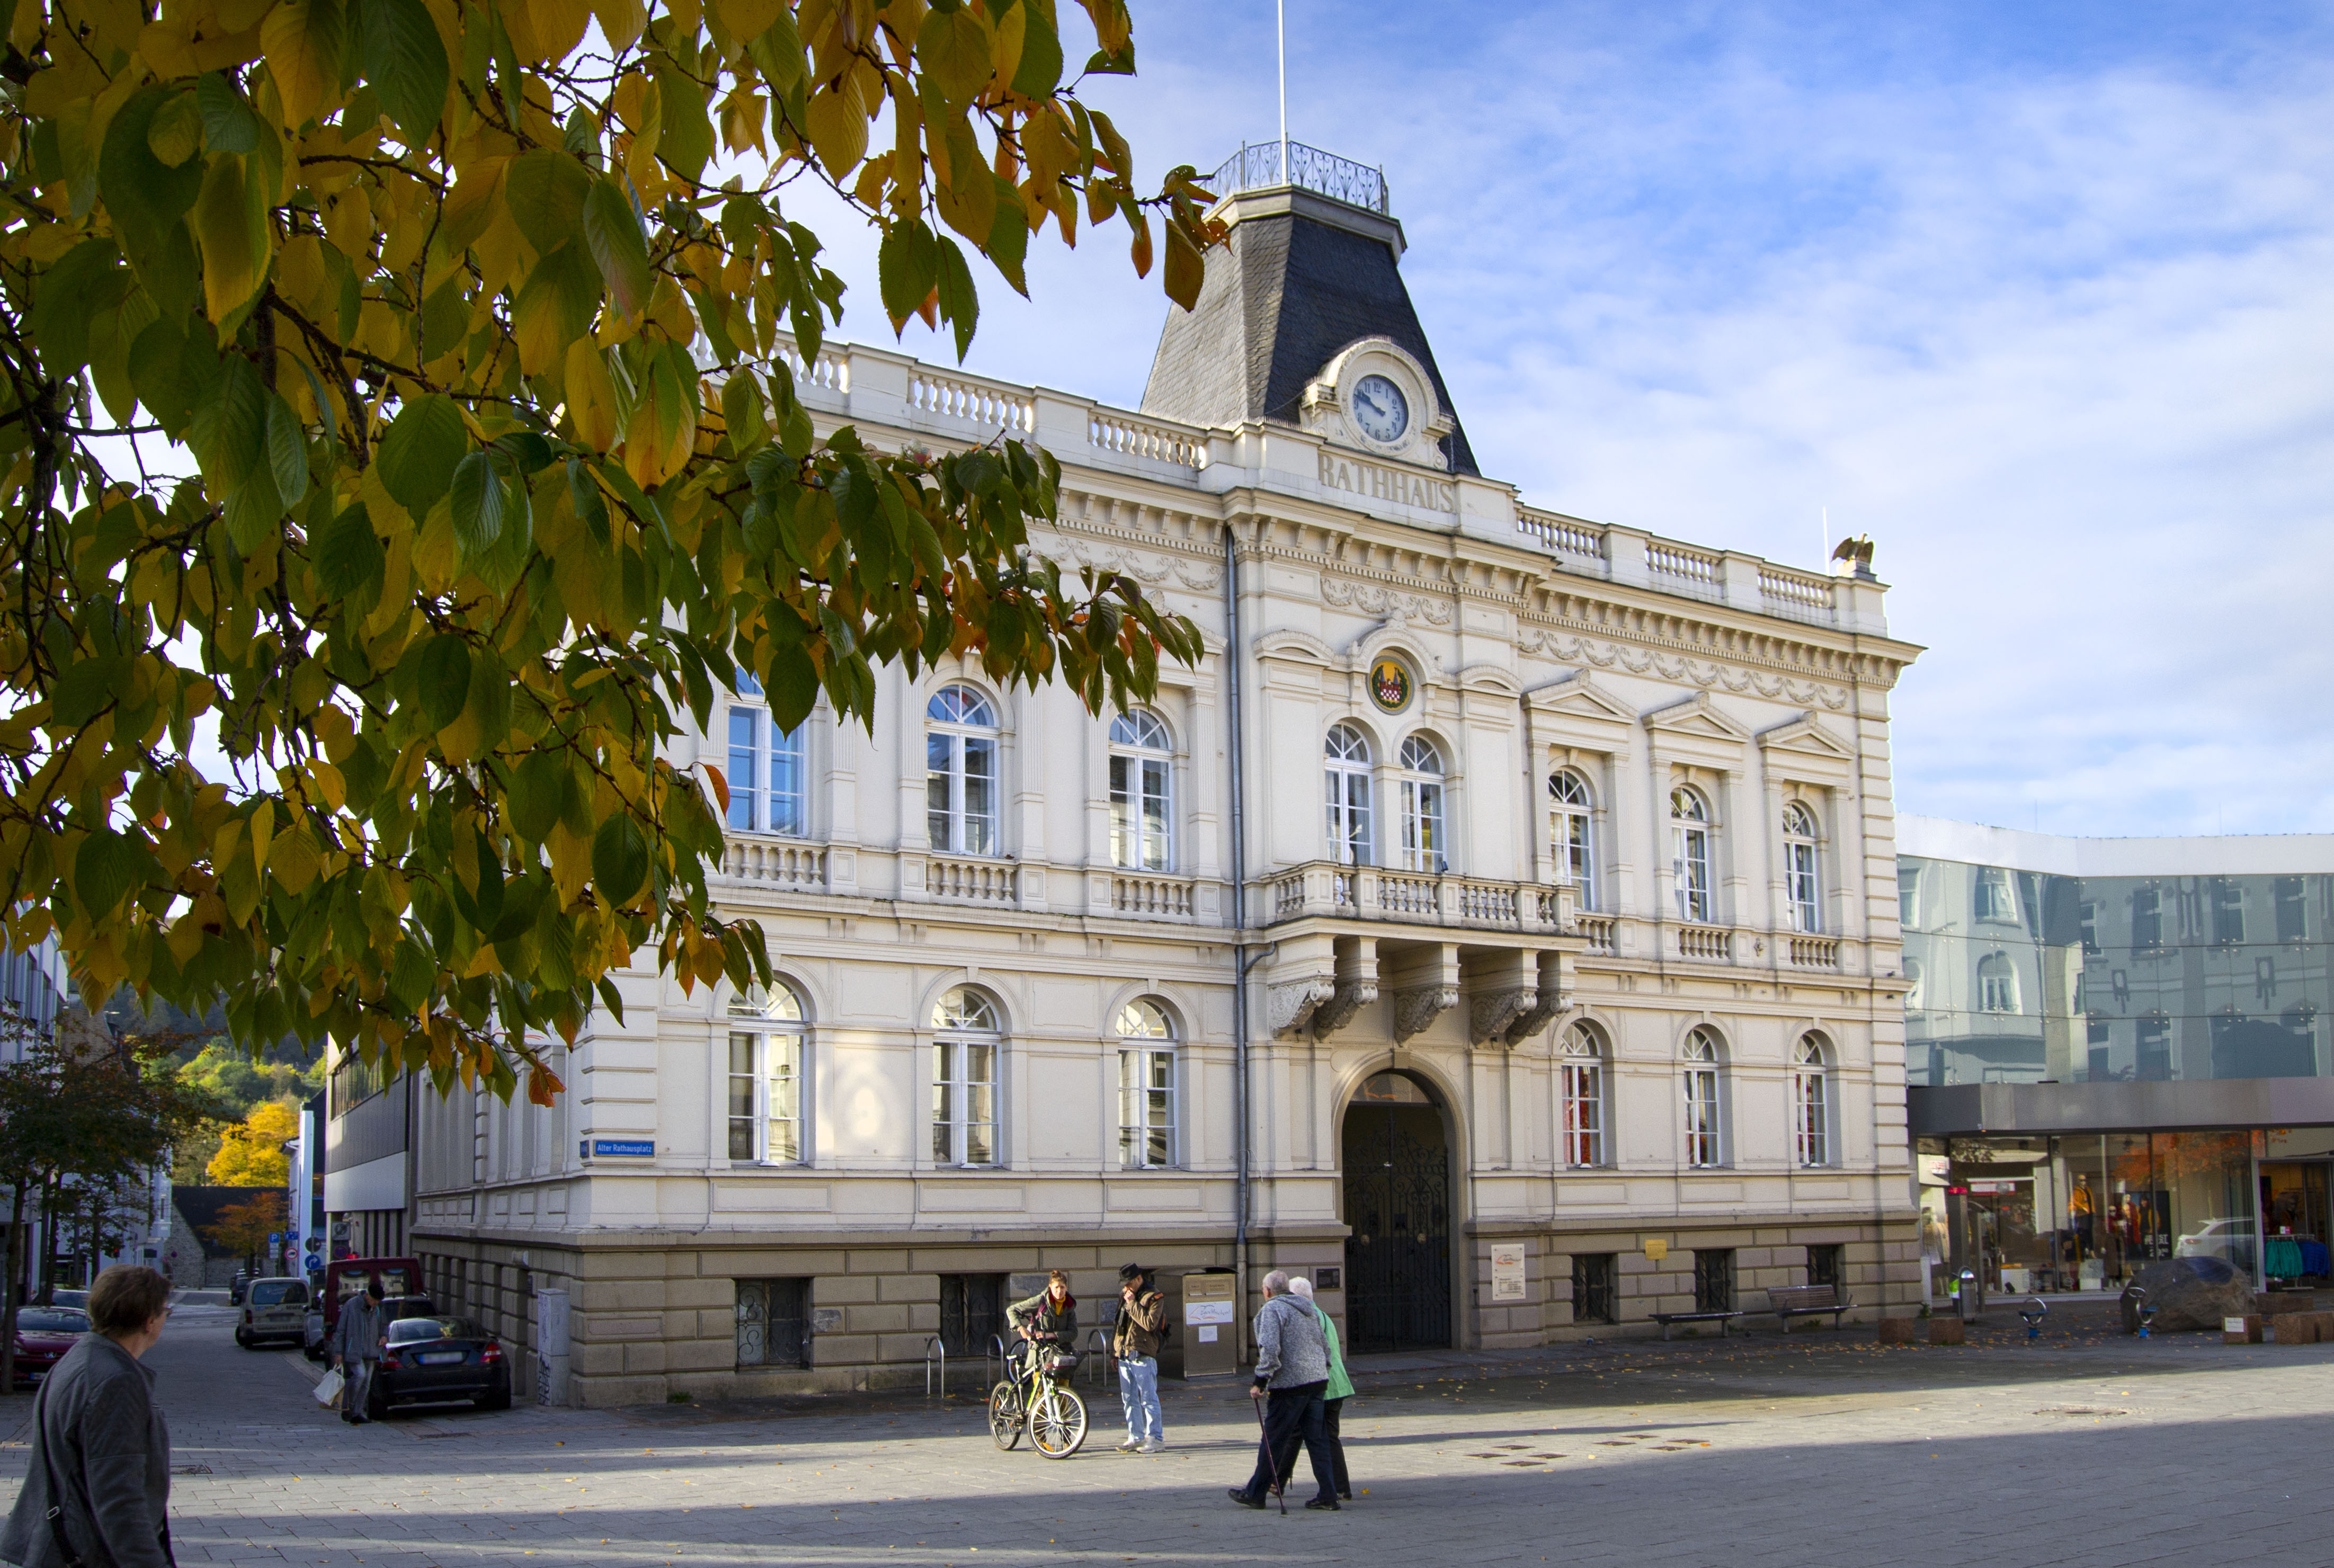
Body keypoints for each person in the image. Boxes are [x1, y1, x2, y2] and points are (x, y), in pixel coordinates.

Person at [1, 1263, 176, 1568]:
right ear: (150, 1321)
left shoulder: (82, 1357)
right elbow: (119, 1498)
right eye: (165, 1311)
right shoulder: (115, 1380)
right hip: (87, 1554)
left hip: (57, 1547)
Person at [1227, 1269, 1338, 1512]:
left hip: (1290, 1385)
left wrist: (1260, 1382)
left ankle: (1256, 1493)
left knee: (1273, 1440)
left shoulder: (1272, 1309)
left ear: (1267, 1291)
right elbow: (1325, 1346)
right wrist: (1323, 1370)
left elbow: (1270, 1349)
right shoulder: (1308, 1310)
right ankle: (1329, 1495)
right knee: (1318, 1441)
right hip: (1317, 1381)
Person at [1285, 1277, 1353, 1500]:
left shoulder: (1308, 1317)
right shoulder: (1323, 1315)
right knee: (1330, 1437)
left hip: (1321, 1387)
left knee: (1297, 1433)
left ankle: (1277, 1481)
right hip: (1337, 1385)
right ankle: (1342, 1487)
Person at [1110, 1262, 1168, 1453]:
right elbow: (1118, 1326)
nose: (1125, 1288)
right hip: (1125, 1355)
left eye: (1128, 1283)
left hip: (1143, 1355)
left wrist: (1133, 1303)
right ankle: (1135, 1436)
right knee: (1129, 1399)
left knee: (1149, 1399)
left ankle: (1156, 1438)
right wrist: (1114, 1353)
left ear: (1138, 1279)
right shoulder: (1125, 1296)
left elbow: (1150, 1324)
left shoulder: (1155, 1297)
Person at [1004, 1271, 1077, 1386]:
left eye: (1062, 1287)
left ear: (1066, 1288)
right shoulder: (1041, 1301)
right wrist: (1020, 1328)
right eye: (1056, 1287)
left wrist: (1052, 1335)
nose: (1059, 1291)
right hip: (1041, 1355)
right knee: (1042, 1393)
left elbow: (1073, 1333)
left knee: (1064, 1394)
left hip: (1061, 1354)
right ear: (1050, 1287)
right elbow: (1011, 1310)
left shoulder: (1069, 1306)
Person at [334, 1280, 387, 1424]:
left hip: (372, 1351)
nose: (376, 1304)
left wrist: (384, 1336)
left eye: (378, 1301)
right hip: (355, 1351)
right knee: (360, 1376)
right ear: (368, 1296)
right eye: (375, 1301)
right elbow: (341, 1329)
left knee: (366, 1384)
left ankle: (357, 1413)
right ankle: (348, 1408)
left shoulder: (378, 1309)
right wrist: (338, 1352)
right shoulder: (352, 1305)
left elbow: (384, 1325)